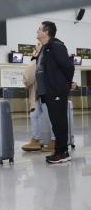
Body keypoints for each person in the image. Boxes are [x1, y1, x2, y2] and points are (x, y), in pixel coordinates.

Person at [35, 21, 74, 164]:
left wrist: (65, 84)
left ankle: (63, 153)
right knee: (55, 123)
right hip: (48, 92)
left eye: (39, 30)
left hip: (57, 90)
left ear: (46, 32)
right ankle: (59, 151)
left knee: (59, 122)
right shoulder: (45, 48)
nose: (37, 32)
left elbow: (68, 67)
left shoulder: (57, 46)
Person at [22, 42, 56, 152]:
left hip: (46, 93)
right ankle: (36, 139)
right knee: (34, 116)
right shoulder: (39, 60)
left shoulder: (39, 60)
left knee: (51, 118)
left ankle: (54, 141)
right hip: (39, 95)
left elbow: (27, 78)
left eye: (38, 45)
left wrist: (34, 58)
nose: (36, 46)